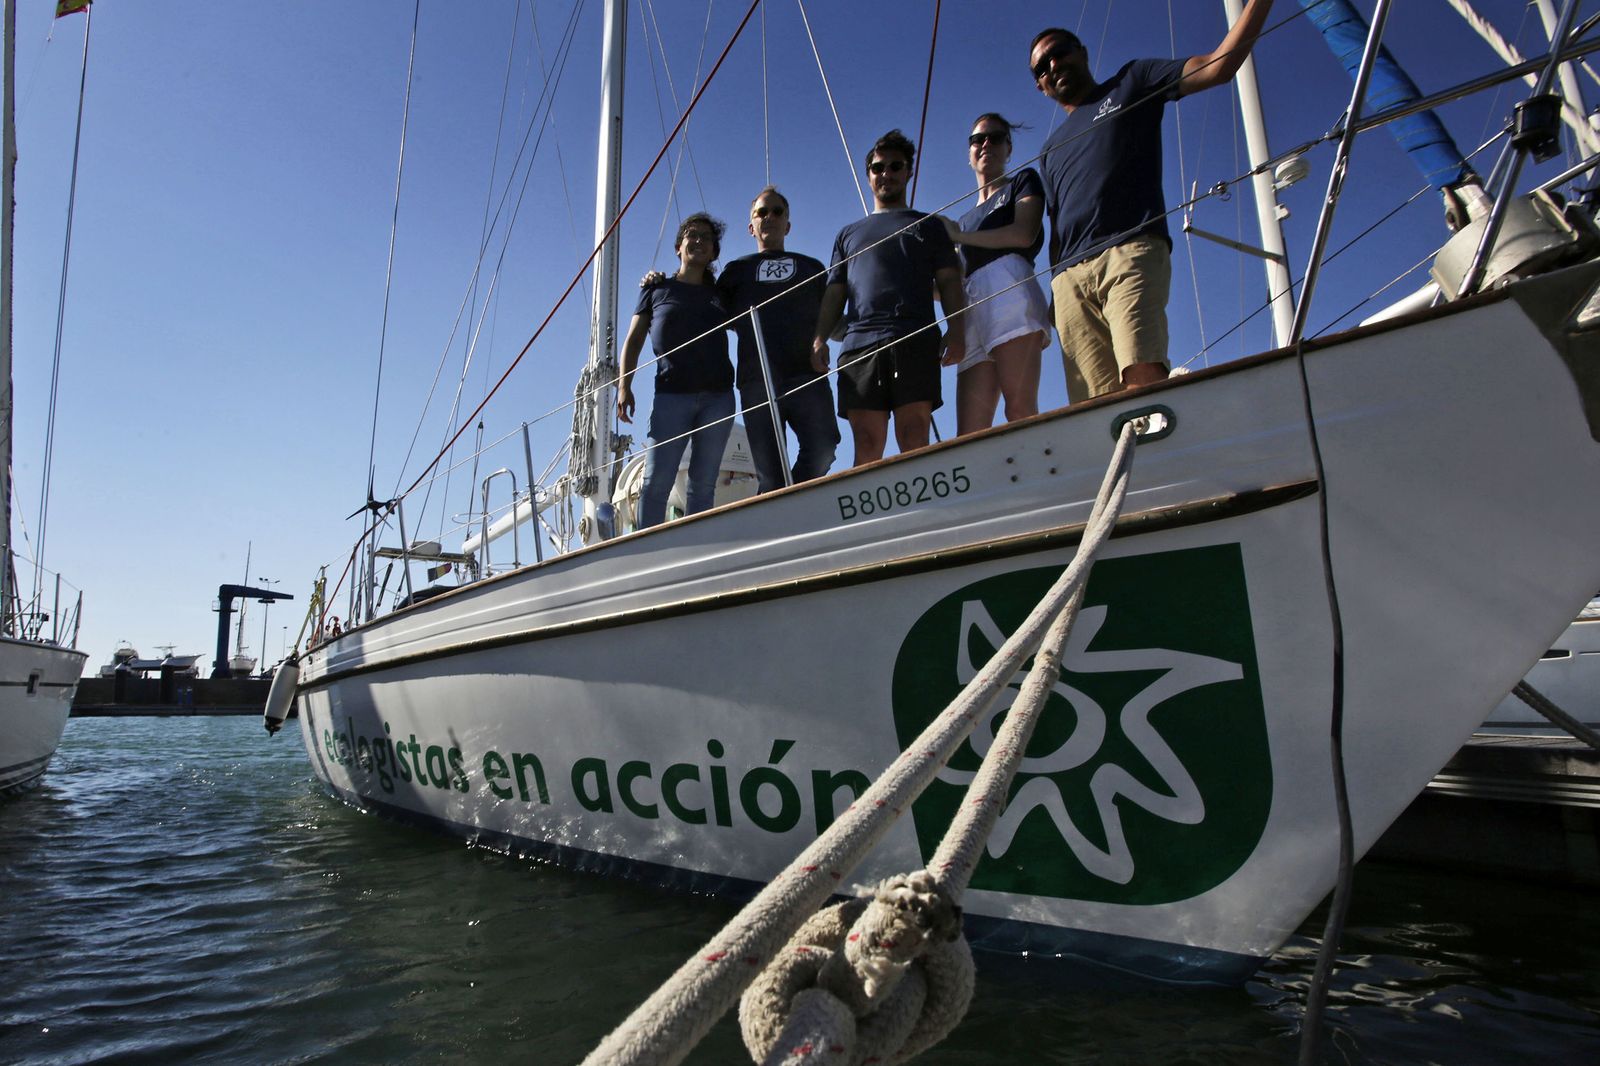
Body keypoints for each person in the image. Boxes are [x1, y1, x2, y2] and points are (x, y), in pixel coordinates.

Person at [1029, 1, 1274, 401]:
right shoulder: (1049, 149)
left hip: (1129, 250)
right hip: (1068, 279)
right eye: (1041, 68)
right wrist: (1055, 295)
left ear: (1082, 52)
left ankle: (1166, 459)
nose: (1052, 66)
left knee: (1142, 375)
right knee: (1092, 405)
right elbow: (1057, 222)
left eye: (1059, 52)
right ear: (1039, 86)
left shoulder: (1133, 80)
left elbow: (1218, 67)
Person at [813, 129, 966, 465]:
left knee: (914, 436)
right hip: (859, 346)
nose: (887, 174)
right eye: (878, 168)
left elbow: (950, 282)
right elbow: (835, 290)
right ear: (868, 174)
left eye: (896, 166)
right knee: (866, 444)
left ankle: (925, 518)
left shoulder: (929, 226)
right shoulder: (847, 235)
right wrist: (820, 338)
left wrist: (957, 329)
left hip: (914, 339)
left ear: (908, 172)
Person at [617, 213, 736, 529]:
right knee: (656, 481)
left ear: (713, 253)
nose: (698, 241)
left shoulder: (721, 294)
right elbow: (634, 340)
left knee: (703, 483)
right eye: (692, 235)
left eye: (706, 238)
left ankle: (694, 553)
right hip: (672, 396)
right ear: (678, 247)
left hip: (718, 397)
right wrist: (623, 386)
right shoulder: (656, 289)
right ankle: (645, 552)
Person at [941, 112, 1049, 435]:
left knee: (1019, 408)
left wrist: (958, 238)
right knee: (970, 433)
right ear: (969, 152)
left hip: (1009, 289)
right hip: (971, 305)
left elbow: (1023, 233)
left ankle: (1039, 479)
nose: (985, 143)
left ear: (1008, 148)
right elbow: (955, 280)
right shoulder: (963, 219)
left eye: (996, 137)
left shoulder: (1022, 182)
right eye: (977, 139)